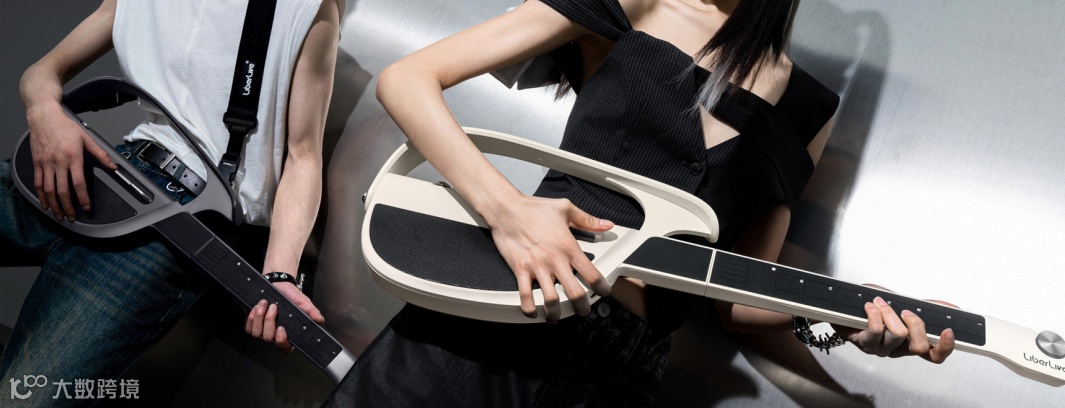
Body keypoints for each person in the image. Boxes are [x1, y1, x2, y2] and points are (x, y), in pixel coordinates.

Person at [323, 0, 954, 406]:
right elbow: (407, 79)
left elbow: (737, 300)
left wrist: (840, 316)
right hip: (504, 305)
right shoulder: (639, 2)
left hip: (617, 373)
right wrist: (509, 212)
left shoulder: (807, 108)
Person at [0, 0, 341, 405]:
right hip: (100, 169)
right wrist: (44, 111)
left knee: (22, 397)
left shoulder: (304, 8)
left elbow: (303, 156)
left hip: (175, 224)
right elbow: (41, 72)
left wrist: (279, 274)